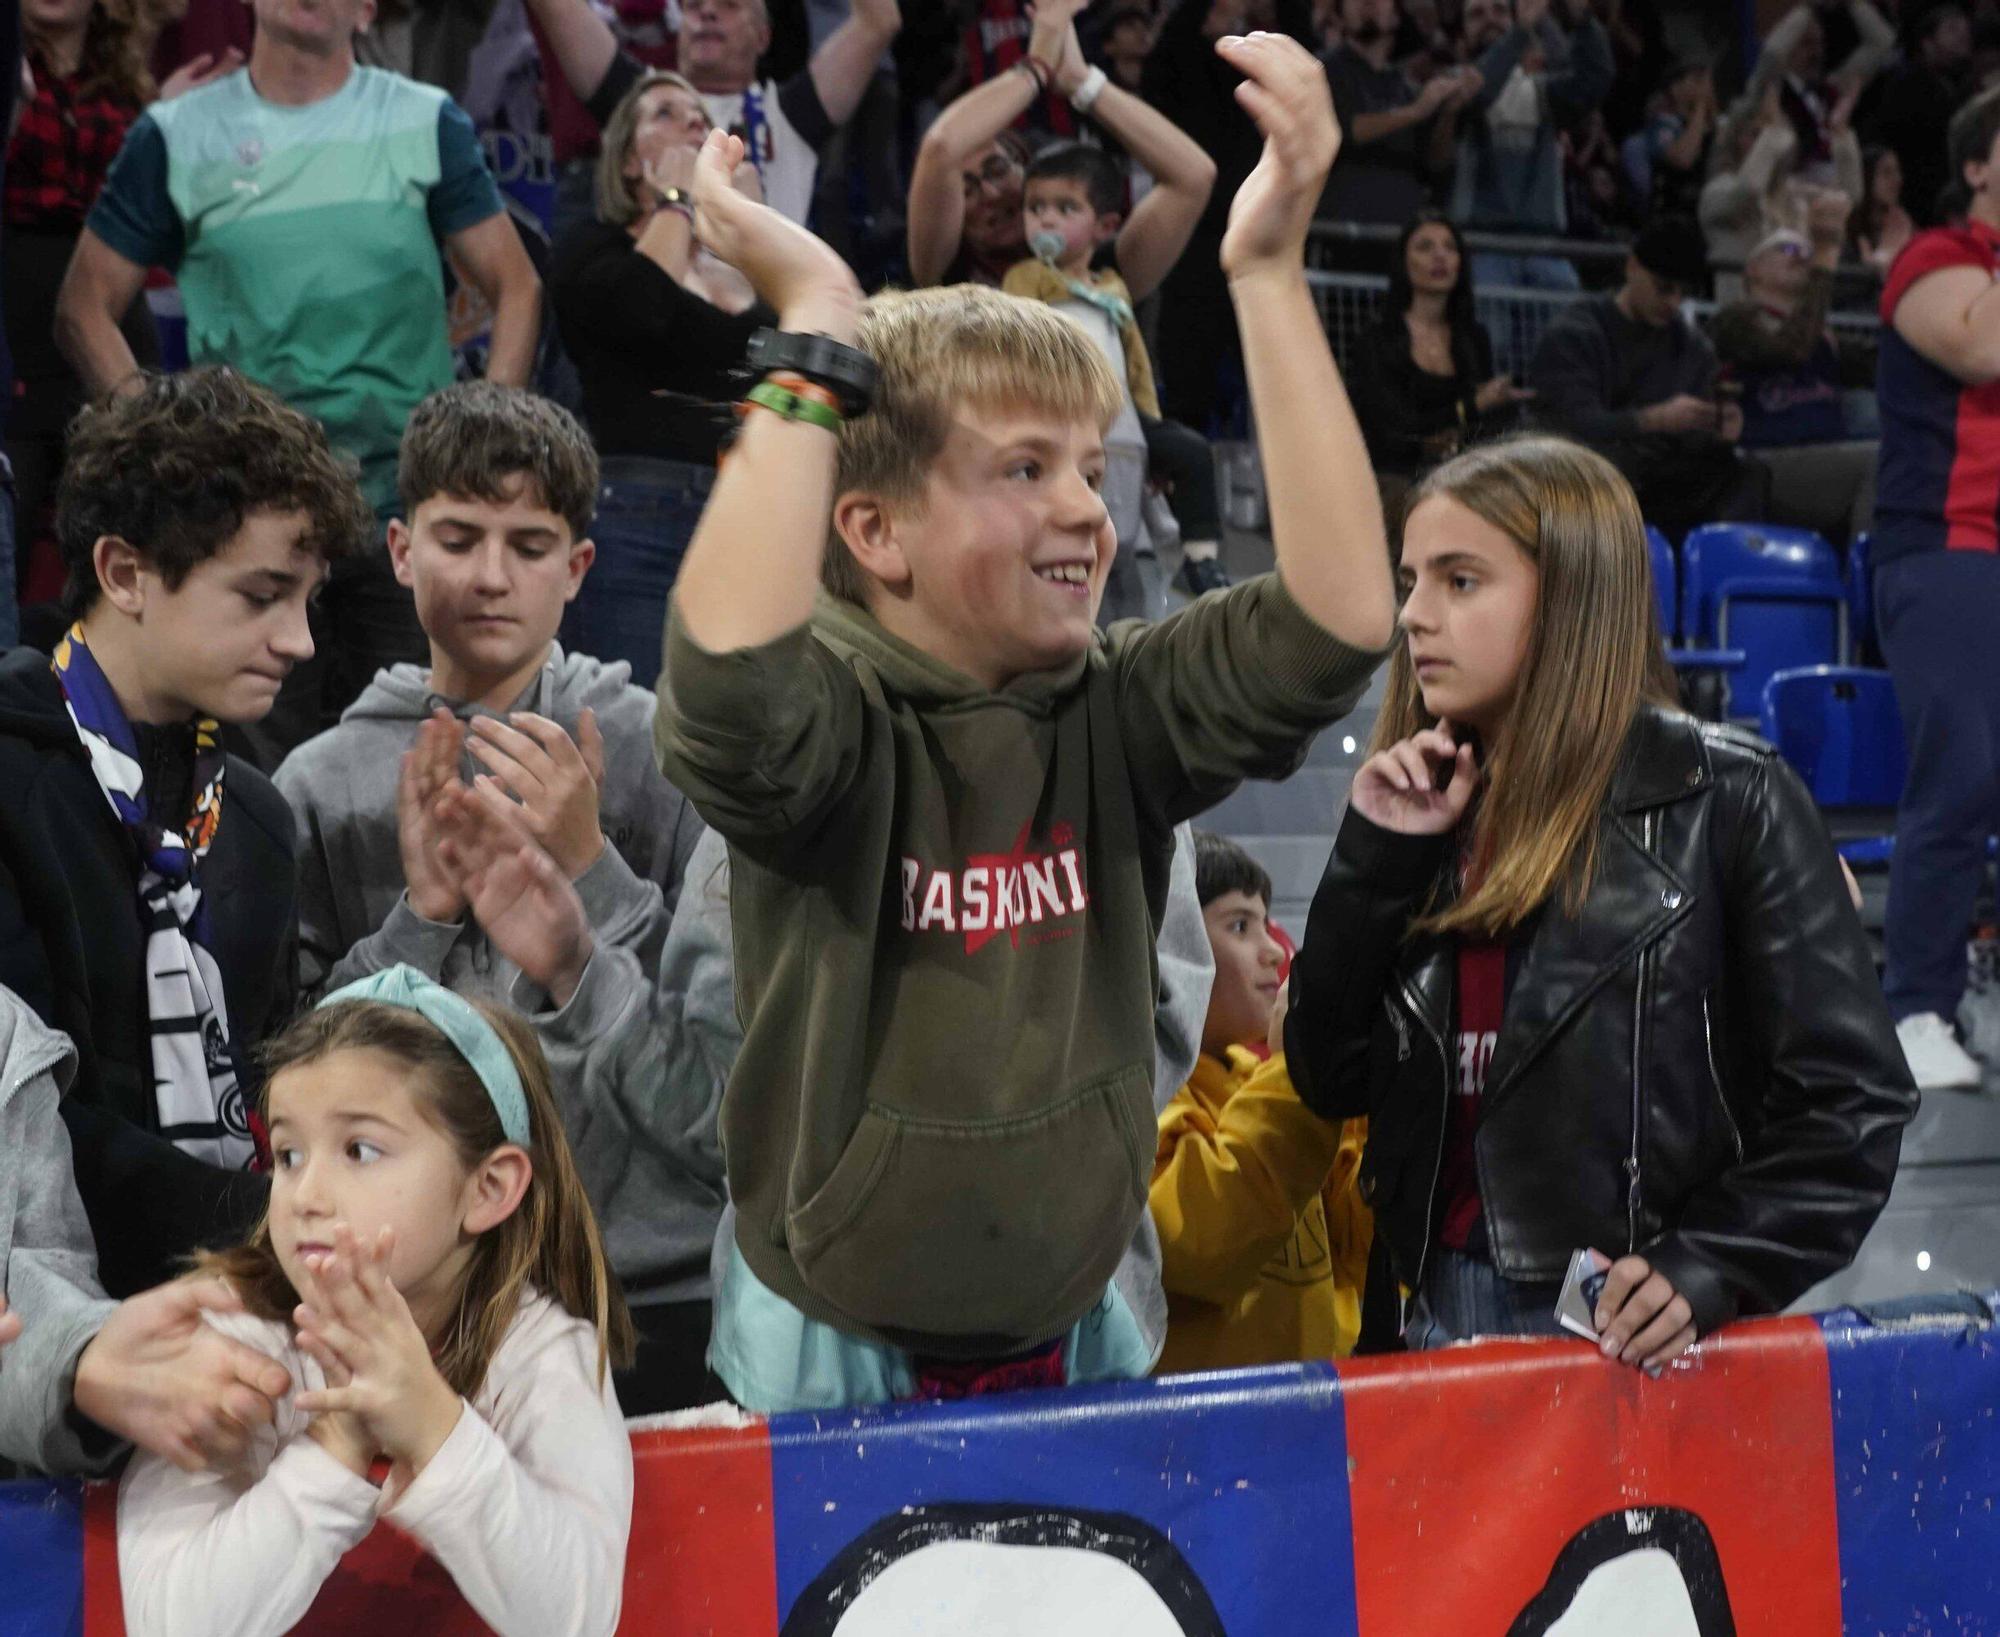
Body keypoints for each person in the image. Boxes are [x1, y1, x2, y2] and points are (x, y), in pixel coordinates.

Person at [652, 32, 1395, 1411]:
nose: (1085, 509)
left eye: (1091, 467)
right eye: (1025, 469)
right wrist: (813, 318)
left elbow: (1342, 618)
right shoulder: (836, 714)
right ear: (870, 530)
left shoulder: (1117, 708)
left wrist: (1269, 275)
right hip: (832, 1341)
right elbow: (724, 683)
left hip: (1085, 1325)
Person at [1283, 434, 1916, 1362]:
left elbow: (1851, 1108)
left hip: (1627, 1345)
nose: (1412, 614)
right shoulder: (1418, 809)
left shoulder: (1730, 795)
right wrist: (1373, 860)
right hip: (1419, 1327)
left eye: (1459, 580)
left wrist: (1709, 1264)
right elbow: (1328, 1074)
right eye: (1410, 578)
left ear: (1574, 597)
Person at [275, 382, 714, 1413]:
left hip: (651, 1278)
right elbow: (292, 1079)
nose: (488, 574)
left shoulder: (660, 750)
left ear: (579, 568)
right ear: (397, 549)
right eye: (457, 536)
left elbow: (714, 1044)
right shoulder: (318, 782)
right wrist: (419, 916)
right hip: (414, 1301)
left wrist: (593, 865)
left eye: (527, 544)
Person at [55, 0, 542, 767]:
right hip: (244, 526)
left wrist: (475, 458)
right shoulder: (177, 134)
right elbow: (83, 307)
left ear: (368, 7)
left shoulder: (426, 120)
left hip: (403, 518)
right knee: (252, 793)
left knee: (422, 777)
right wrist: (164, 451)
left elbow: (516, 287)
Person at [116, 969, 635, 1637]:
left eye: (359, 1149)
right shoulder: (228, 1340)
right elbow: (171, 1624)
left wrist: (434, 1426)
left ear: (489, 1188)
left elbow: (580, 1616)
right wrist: (337, 1441)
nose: (306, 1195)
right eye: (289, 1153)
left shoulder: (538, 1348)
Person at [0, 368, 370, 1298]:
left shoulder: (253, 816)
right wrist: (267, 1223)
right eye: (261, 595)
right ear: (125, 574)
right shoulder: (9, 776)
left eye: (309, 600)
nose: (301, 641)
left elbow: (270, 1090)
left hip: (242, 1305)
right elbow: (28, 1118)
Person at [549, 72, 768, 685]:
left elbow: (815, 343)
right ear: (625, 163)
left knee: (743, 732)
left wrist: (753, 230)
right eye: (666, 115)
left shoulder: (744, 263)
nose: (693, 124)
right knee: (637, 722)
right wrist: (676, 200)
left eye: (701, 115)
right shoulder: (592, 249)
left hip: (750, 512)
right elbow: (639, 312)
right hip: (635, 513)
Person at [1866, 85, 2000, 1089]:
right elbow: (1981, 345)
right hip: (1945, 550)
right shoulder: (1935, 261)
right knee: (1956, 776)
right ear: (1977, 167)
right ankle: (1913, 1006)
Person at [1150, 830, 1370, 1374]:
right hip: (1200, 1440)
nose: (1275, 948)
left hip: (1315, 1415)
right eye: (1240, 925)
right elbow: (1204, 1244)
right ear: (1170, 944)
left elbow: (1359, 1246)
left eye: (1265, 921)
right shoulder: (1143, 1097)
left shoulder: (1262, 1081)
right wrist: (1299, 1069)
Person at [1000, 135, 1229, 602]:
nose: (1044, 217)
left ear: (1104, 225)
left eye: (1065, 208)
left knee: (1190, 452)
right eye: (1034, 206)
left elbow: (1136, 362)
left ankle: (1201, 558)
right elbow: (1013, 350)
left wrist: (1151, 423)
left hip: (1125, 422)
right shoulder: (1024, 280)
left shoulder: (1114, 289)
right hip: (1060, 418)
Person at [524, 0, 902, 227]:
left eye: (729, 4)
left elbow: (879, 21)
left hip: (765, 323)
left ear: (763, 36)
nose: (706, 12)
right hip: (652, 322)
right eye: (692, 5)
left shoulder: (790, 112)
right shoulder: (638, 98)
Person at [1529, 216, 1770, 541]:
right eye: (1664, 288)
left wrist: (1718, 428)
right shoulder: (1576, 334)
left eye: (1683, 293)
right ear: (1632, 268)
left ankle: (1720, 579)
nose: (1674, 303)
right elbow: (1570, 425)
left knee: (1745, 469)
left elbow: (1695, 440)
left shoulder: (1691, 346)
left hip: (1659, 474)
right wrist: (1651, 421)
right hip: (1584, 469)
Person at [1709, 200, 1878, 548]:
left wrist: (1896, 283)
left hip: (1830, 464)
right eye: (1787, 248)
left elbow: (1887, 366)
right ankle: (1869, 585)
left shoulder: (1823, 334)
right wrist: (1825, 261)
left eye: (1806, 250)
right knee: (1879, 460)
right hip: (1765, 466)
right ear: (1753, 269)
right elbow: (1788, 349)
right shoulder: (1734, 320)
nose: (1802, 256)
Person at [1348, 210, 1530, 517]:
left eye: (1450, 247)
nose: (1440, 256)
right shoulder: (1377, 338)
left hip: (1459, 471)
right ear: (1404, 263)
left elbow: (1481, 423)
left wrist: (1497, 404)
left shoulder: (1473, 337)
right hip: (1395, 475)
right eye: (1425, 247)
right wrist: (1469, 407)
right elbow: (1391, 429)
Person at [1447, 0, 1612, 296]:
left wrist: (1584, 20)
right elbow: (1479, 94)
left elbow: (1595, 79)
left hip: (1545, 247)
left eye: (1499, 11)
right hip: (1480, 246)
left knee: (1562, 339)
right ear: (1461, 37)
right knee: (1490, 341)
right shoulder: (1448, 83)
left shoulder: (1541, 89)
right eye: (1477, 14)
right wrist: (1521, 32)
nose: (1490, 20)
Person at [1319, 0, 1482, 242]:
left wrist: (1448, 113)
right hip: (1343, 231)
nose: (1367, 3)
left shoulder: (1403, 87)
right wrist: (1415, 111)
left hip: (1402, 234)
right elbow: (1341, 131)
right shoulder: (1324, 70)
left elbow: (1435, 163)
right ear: (1341, 15)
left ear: (1396, 16)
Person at [1868, 3, 1971, 227]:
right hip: (1918, 196)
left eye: (1965, 29)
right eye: (1952, 29)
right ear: (1927, 43)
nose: (1963, 36)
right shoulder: (1909, 84)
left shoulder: (1957, 82)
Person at [1849, 143, 1915, 277]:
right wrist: (1872, 269)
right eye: (1887, 172)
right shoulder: (1849, 228)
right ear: (1866, 177)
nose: (1897, 179)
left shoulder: (1902, 223)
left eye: (1897, 171)